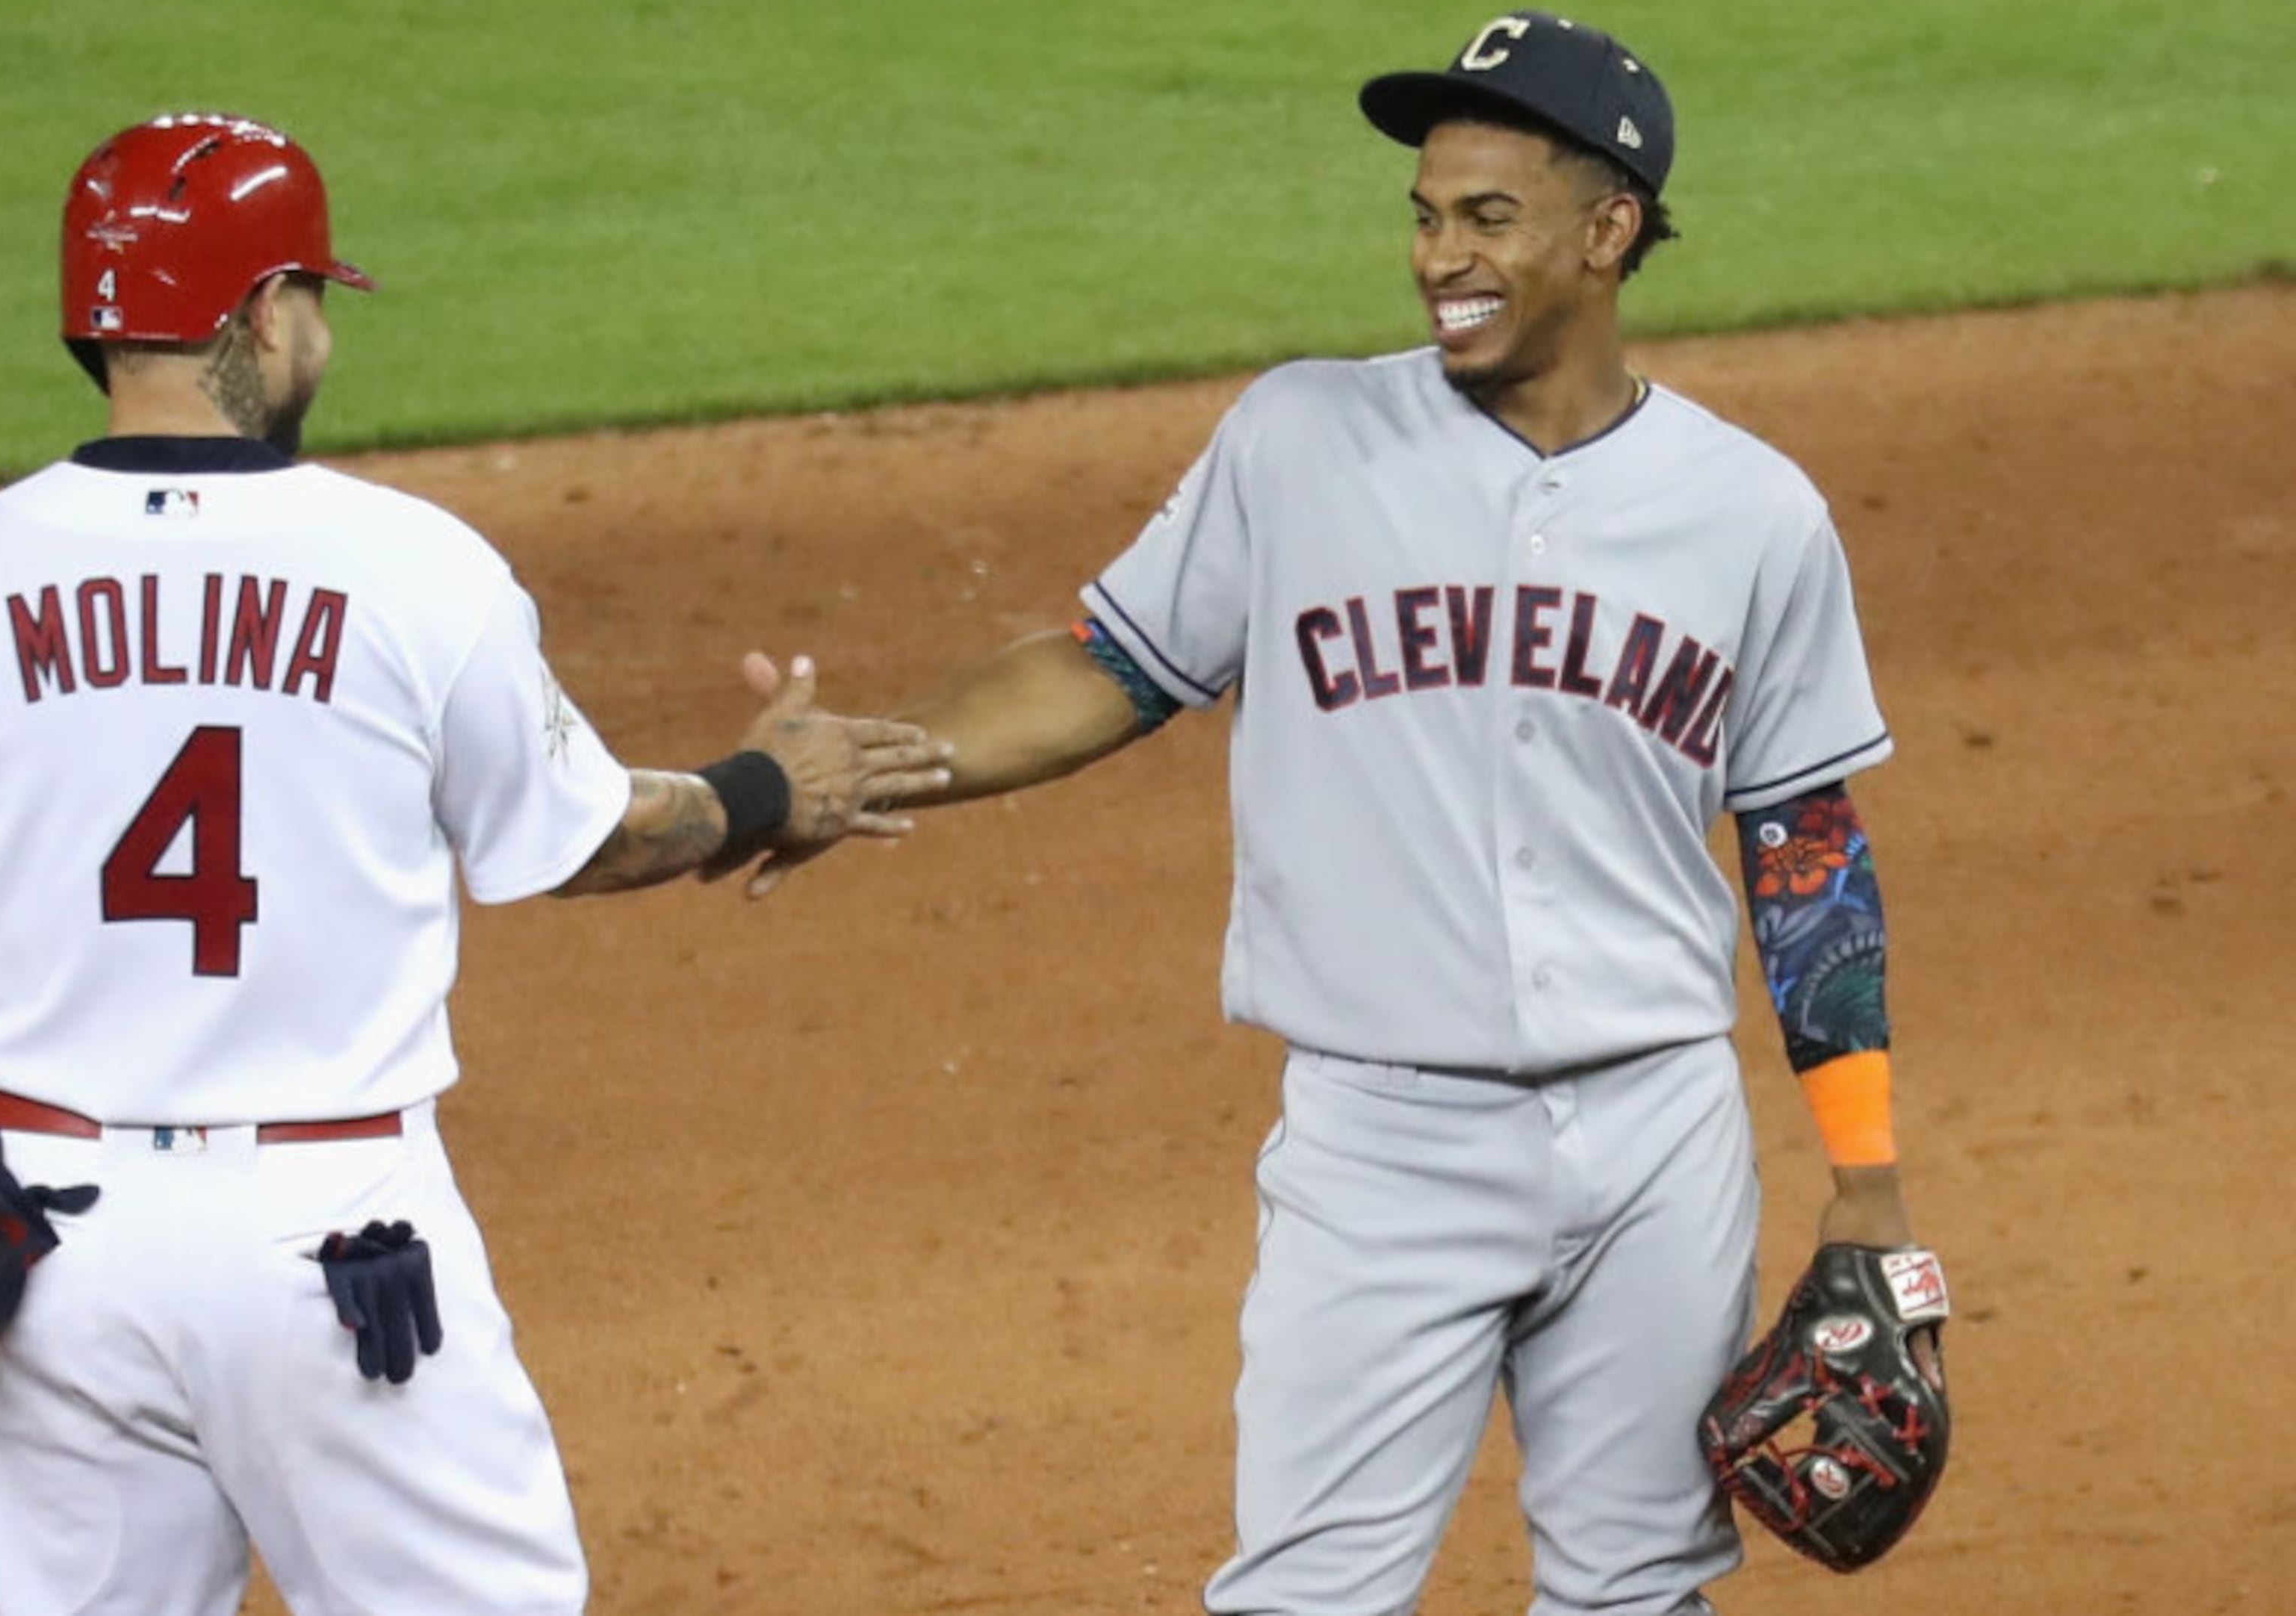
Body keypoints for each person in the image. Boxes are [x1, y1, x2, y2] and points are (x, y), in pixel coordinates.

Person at [732, 13, 1934, 1614]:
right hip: (1387, 1138)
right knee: (1307, 1594)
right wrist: (876, 762)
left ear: (1609, 227)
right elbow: (1109, 665)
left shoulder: (1752, 510)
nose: (1442, 253)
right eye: (1426, 215)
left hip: (1659, 1131)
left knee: (1640, 1587)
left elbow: (1804, 850)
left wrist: (1868, 1181)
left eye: (1487, 217)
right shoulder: (1301, 436)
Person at [0, 111, 949, 1616]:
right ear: (256, 316)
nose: (315, 339)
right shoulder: (415, 570)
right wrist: (764, 788)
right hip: (332, 1240)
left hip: (37, 1244)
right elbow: (587, 834)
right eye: (311, 304)